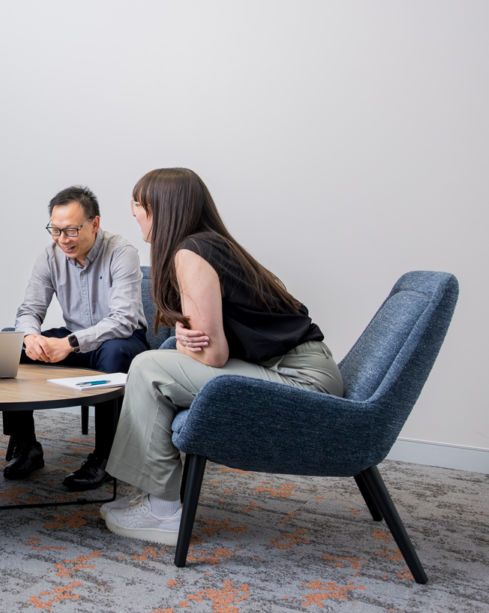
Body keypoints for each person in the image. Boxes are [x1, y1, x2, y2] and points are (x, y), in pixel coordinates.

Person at [103, 168, 343, 545]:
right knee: (158, 361)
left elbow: (213, 354)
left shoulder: (190, 253)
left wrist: (184, 343)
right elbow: (215, 336)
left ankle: (163, 512)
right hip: (295, 369)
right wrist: (185, 337)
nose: (133, 211)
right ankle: (154, 495)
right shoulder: (207, 245)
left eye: (138, 203)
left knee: (148, 367)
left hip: (303, 382)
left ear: (161, 208)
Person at [4, 186, 150, 490]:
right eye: (55, 230)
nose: (62, 239)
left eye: (70, 230)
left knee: (114, 355)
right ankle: (27, 446)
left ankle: (106, 457)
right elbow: (30, 309)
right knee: (10, 345)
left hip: (123, 339)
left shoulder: (122, 253)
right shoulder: (49, 256)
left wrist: (69, 343)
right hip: (77, 339)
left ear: (94, 224)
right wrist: (30, 337)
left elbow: (123, 320)